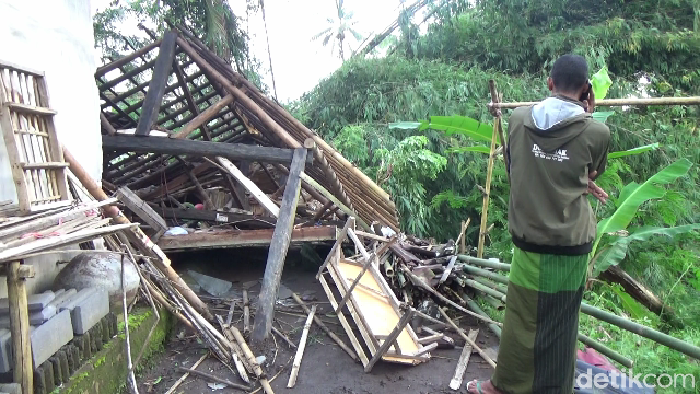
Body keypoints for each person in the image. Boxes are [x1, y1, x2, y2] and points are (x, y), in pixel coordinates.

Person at [467, 54, 610, 394]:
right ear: (587, 90)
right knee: (562, 324)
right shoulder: (597, 132)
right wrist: (588, 116)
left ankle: (502, 387)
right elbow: (589, 173)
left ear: (549, 84)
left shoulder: (517, 119)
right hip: (571, 245)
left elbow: (518, 165)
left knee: (520, 319)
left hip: (529, 240)